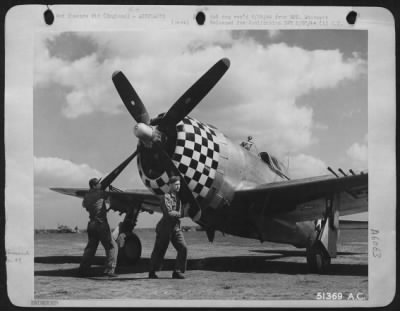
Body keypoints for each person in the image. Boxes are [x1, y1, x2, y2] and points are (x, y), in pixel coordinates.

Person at [149, 176, 188, 279]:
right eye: (176, 184)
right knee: (159, 250)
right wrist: (182, 212)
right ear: (170, 185)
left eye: (179, 184)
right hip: (165, 227)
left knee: (183, 247)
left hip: (175, 227)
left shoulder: (178, 198)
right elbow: (169, 213)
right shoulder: (165, 197)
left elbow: (178, 213)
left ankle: (177, 271)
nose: (178, 186)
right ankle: (152, 271)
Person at [78, 178, 118, 277]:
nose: (100, 184)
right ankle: (109, 270)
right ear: (94, 186)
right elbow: (110, 195)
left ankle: (83, 269)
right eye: (98, 183)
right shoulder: (100, 193)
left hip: (91, 224)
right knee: (111, 247)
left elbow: (85, 205)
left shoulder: (87, 196)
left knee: (90, 248)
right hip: (101, 224)